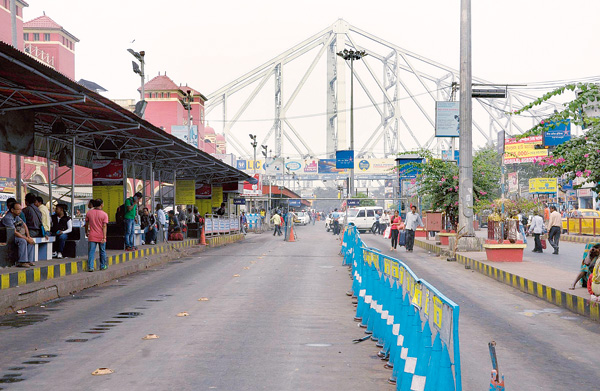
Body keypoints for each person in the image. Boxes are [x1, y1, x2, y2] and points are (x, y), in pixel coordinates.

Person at [0, 202, 35, 267]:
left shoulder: (16, 217)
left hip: (14, 236)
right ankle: (22, 262)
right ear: (12, 210)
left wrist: (28, 236)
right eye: (18, 209)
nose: (20, 211)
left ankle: (29, 260)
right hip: (8, 237)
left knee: (31, 241)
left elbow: (24, 225)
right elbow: (14, 232)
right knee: (23, 241)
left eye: (20, 209)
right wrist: (26, 239)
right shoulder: (8, 218)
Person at [85, 198, 108, 272]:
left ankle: (90, 267)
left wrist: (86, 232)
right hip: (101, 235)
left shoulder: (89, 213)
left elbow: (86, 224)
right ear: (101, 205)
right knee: (102, 251)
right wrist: (104, 237)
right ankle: (102, 265)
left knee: (91, 252)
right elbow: (104, 226)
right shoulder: (104, 214)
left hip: (92, 235)